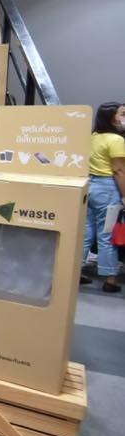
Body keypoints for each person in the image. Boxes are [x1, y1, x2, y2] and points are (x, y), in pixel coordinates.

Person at [83, 102, 125, 293]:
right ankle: (110, 280)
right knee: (106, 235)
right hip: (108, 189)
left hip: (89, 186)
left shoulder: (92, 137)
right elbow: (119, 171)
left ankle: (75, 273)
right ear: (111, 118)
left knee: (85, 233)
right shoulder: (116, 140)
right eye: (122, 114)